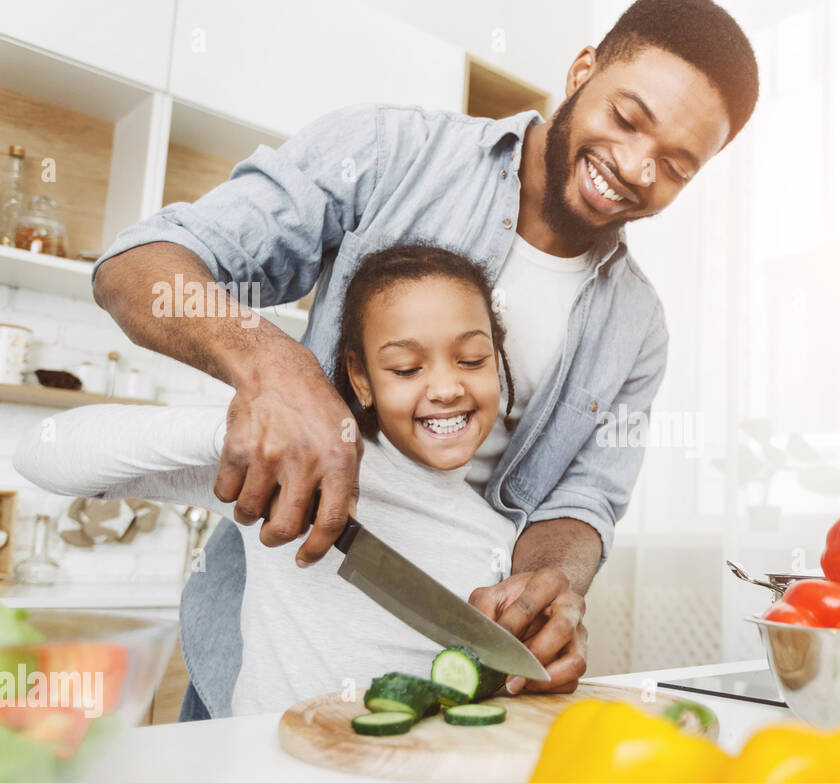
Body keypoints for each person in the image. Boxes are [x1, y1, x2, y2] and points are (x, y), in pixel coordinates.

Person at [89, 0, 759, 719]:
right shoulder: (389, 153)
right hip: (274, 639)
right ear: (582, 70)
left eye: (675, 166)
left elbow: (581, 499)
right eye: (628, 119)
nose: (633, 167)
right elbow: (134, 268)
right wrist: (273, 367)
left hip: (457, 675)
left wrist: (549, 582)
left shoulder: (638, 326)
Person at [17, 245, 520, 715]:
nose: (447, 388)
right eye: (407, 368)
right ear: (362, 379)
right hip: (267, 781)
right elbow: (42, 453)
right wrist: (239, 435)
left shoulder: (499, 537)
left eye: (472, 360)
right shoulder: (292, 470)